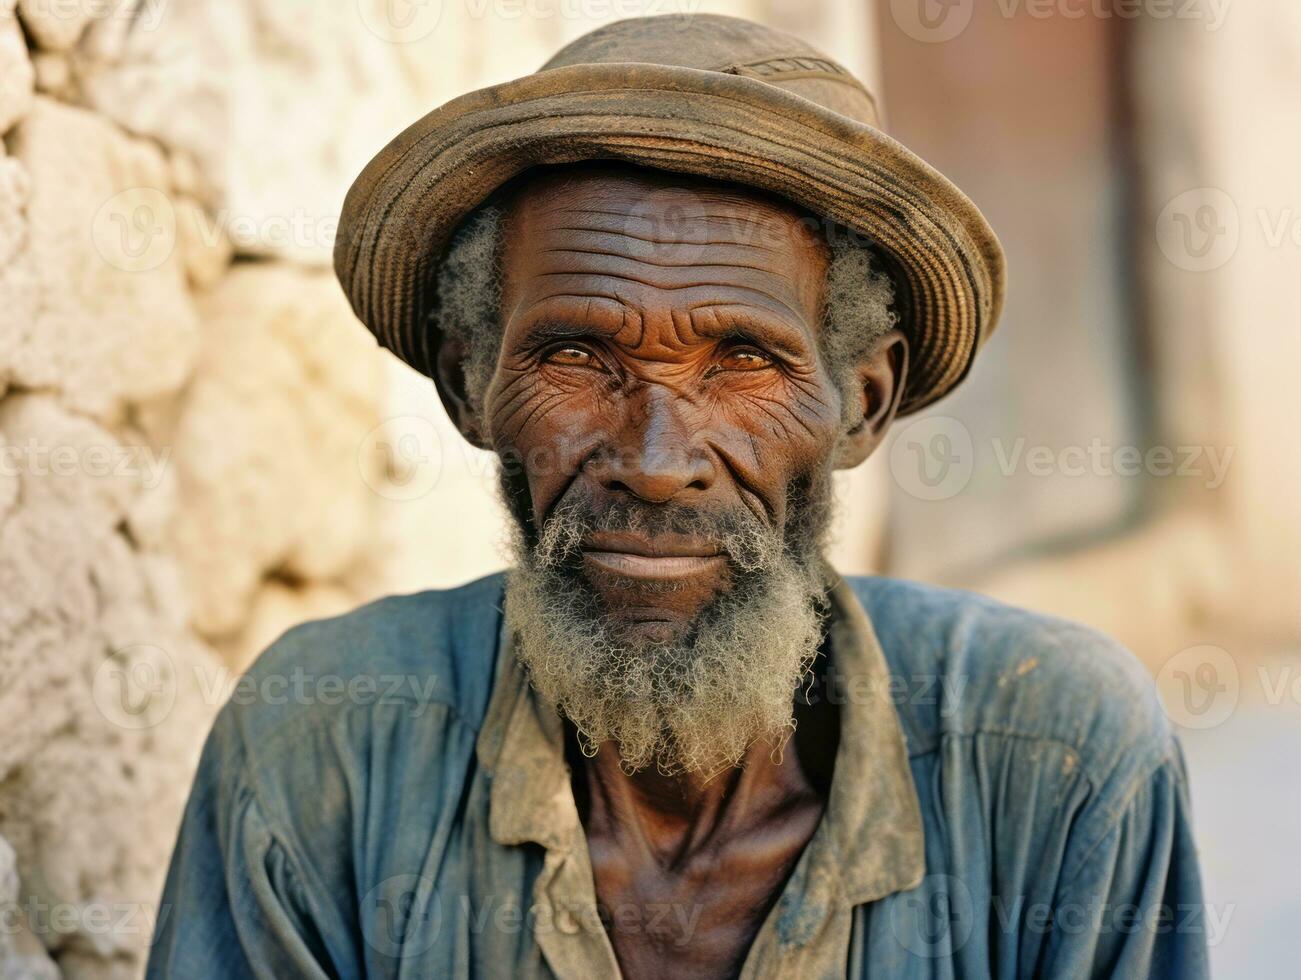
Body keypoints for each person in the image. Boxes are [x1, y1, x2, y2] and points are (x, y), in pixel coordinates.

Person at [148, 15, 1208, 979]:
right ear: (471, 385)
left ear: (861, 404)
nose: (655, 459)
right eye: (576, 355)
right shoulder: (324, 753)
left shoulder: (1054, 761)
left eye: (741, 361)